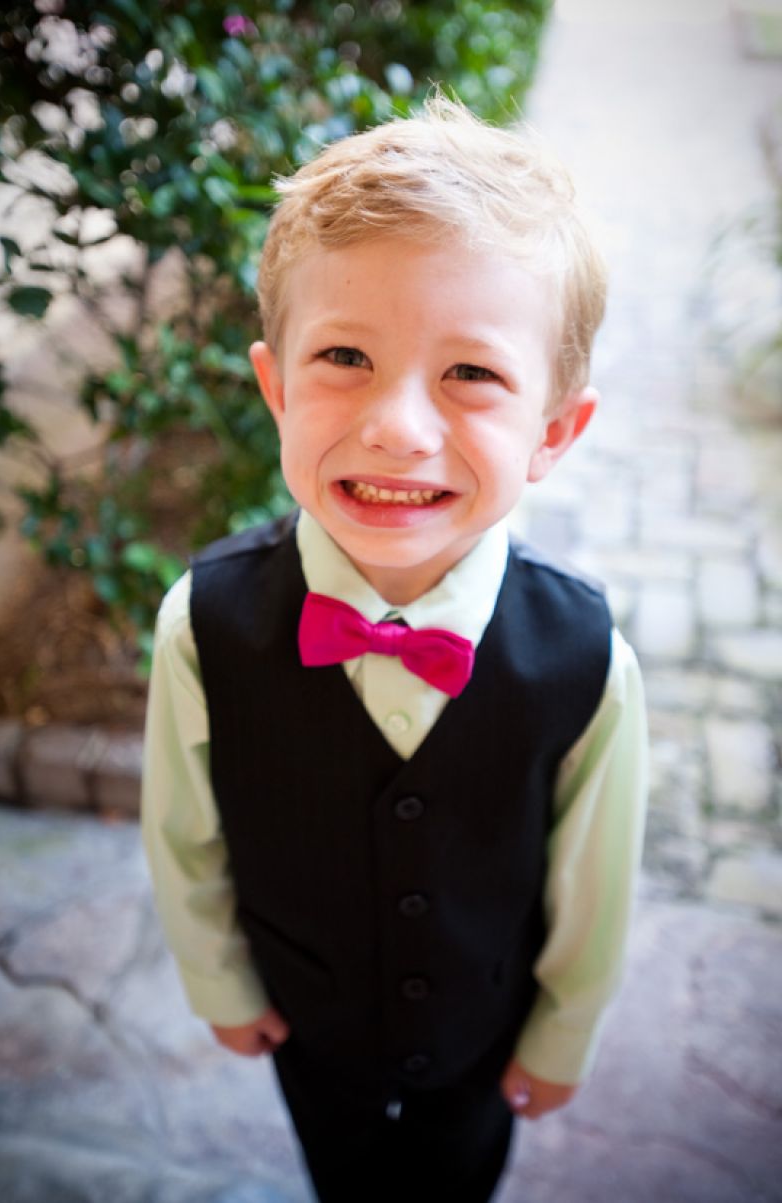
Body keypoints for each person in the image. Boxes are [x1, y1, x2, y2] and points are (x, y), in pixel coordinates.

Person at [141, 95, 648, 1203]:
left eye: (470, 375)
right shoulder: (206, 624)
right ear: (275, 388)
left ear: (553, 432)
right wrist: (218, 981)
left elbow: (594, 880)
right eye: (344, 357)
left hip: (481, 1037)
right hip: (308, 1024)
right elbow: (182, 832)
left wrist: (560, 1034)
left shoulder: (583, 657)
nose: (397, 427)